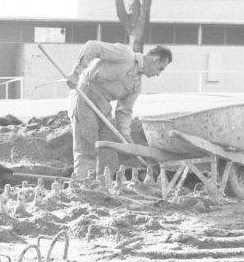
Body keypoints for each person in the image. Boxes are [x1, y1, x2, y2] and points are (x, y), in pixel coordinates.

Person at [65, 41, 173, 177]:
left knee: (109, 150)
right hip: (85, 95)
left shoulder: (136, 85)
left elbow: (124, 111)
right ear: (155, 60)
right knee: (87, 147)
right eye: (160, 68)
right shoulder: (125, 55)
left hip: (103, 106)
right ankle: (83, 186)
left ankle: (102, 187)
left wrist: (125, 136)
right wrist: (76, 73)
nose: (158, 74)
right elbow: (92, 47)